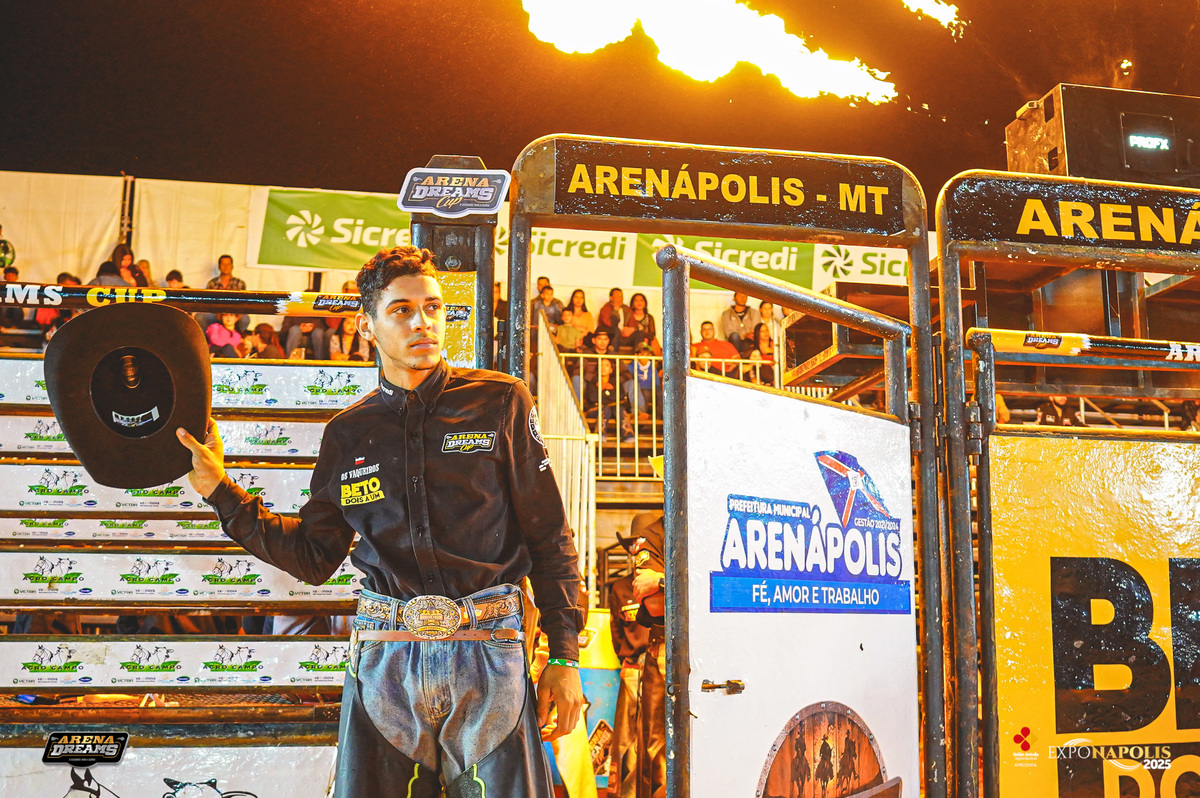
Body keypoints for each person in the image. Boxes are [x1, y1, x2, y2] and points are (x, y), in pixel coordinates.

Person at [177, 245, 583, 797]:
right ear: (367, 326)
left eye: (433, 307)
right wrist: (220, 492)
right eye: (401, 310)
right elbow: (315, 557)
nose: (423, 322)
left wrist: (563, 656)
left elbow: (549, 536)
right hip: (386, 659)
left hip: (491, 653)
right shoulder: (348, 433)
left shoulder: (501, 402)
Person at [630, 513, 667, 798]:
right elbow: (655, 604)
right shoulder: (655, 534)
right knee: (661, 751)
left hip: (722, 646)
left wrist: (664, 581)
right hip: (669, 650)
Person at [198, 254, 250, 334]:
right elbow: (207, 302)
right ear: (219, 266)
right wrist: (218, 313)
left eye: (228, 264)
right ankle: (206, 339)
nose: (226, 267)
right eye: (223, 264)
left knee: (245, 319)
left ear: (232, 266)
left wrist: (236, 314)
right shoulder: (212, 283)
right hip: (216, 314)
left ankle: (237, 338)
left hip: (233, 314)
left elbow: (244, 302)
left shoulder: (239, 283)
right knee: (200, 317)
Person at [623, 342, 662, 421]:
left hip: (650, 391)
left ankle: (660, 415)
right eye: (641, 354)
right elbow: (629, 381)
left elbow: (657, 385)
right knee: (637, 389)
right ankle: (639, 413)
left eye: (647, 354)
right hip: (637, 391)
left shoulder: (652, 368)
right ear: (636, 355)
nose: (644, 356)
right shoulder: (631, 367)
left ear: (650, 355)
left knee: (659, 393)